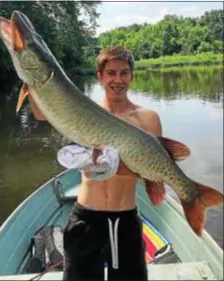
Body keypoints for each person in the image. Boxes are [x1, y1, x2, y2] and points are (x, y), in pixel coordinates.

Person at [60, 46, 162, 281]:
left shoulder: (148, 119)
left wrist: (116, 168)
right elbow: (43, 114)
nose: (118, 80)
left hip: (124, 219)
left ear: (132, 76)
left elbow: (154, 172)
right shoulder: (83, 114)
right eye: (111, 73)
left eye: (124, 73)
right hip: (85, 218)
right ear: (100, 77)